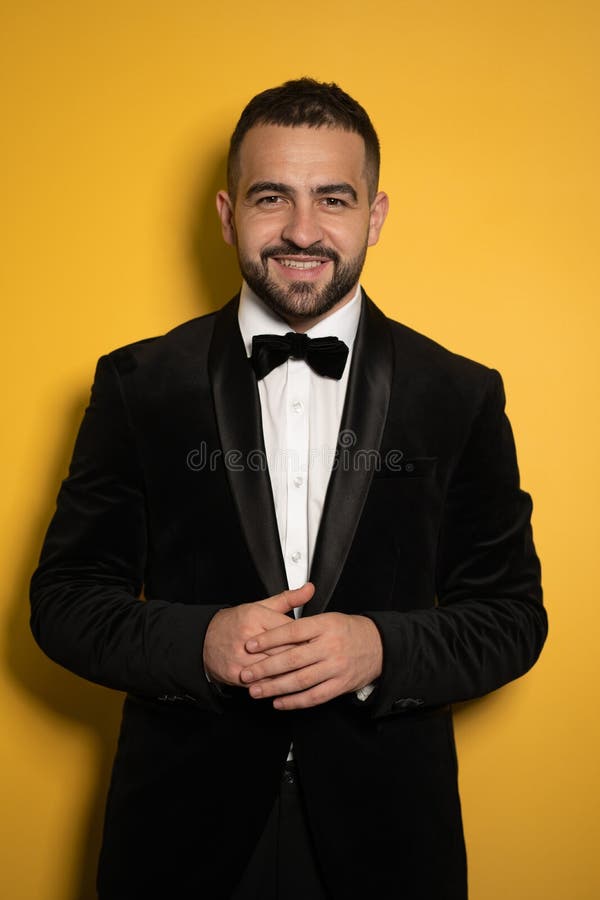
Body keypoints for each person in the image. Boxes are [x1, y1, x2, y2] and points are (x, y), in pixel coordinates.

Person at [30, 78, 547, 900]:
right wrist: (198, 642)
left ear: (374, 215)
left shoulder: (461, 393)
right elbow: (63, 601)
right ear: (229, 213)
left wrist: (380, 649)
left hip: (390, 846)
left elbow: (514, 618)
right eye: (273, 197)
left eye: (333, 199)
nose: (303, 231)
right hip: (176, 841)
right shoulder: (137, 384)